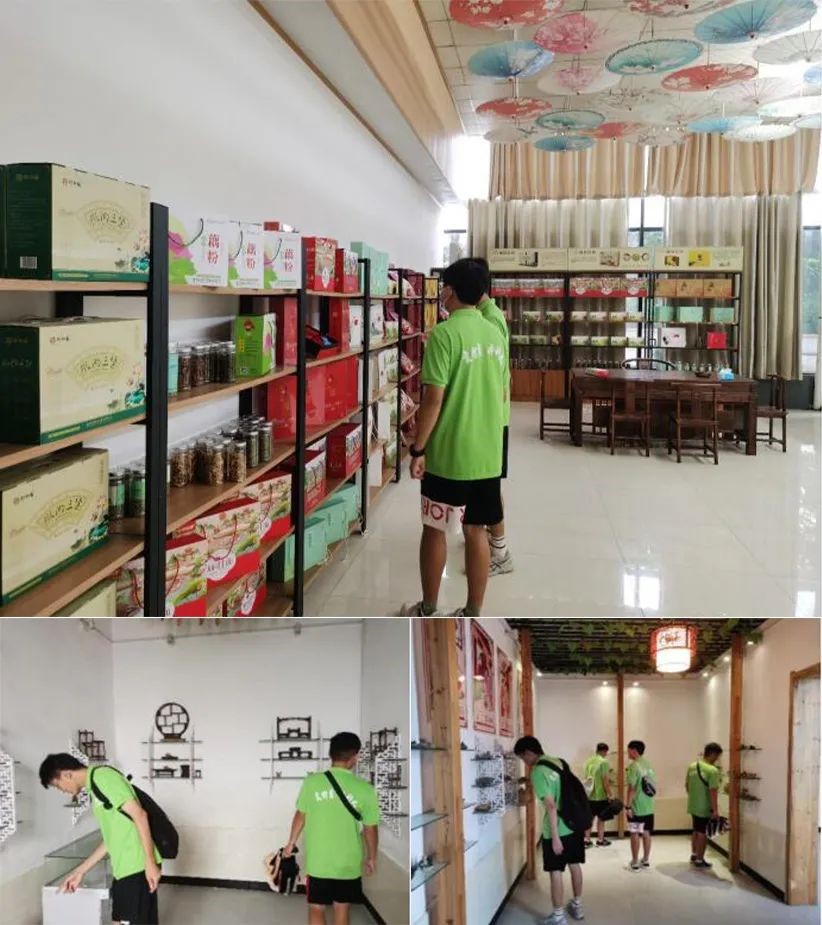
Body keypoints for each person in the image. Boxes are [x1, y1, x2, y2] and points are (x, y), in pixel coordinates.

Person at [399, 257, 507, 618]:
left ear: (449, 291)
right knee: (477, 531)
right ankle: (472, 611)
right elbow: (499, 391)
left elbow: (433, 399)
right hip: (487, 453)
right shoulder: (495, 333)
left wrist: (418, 448)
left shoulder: (444, 335)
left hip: (449, 454)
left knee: (435, 528)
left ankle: (428, 608)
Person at [39, 753, 162, 925]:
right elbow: (111, 838)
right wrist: (80, 871)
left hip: (137, 866)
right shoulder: (94, 788)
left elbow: (140, 816)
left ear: (67, 774)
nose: (61, 790)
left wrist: (150, 863)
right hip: (124, 869)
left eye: (57, 785)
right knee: (120, 920)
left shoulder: (103, 777)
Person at [284, 732, 380, 925]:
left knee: (316, 908)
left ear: (330, 754)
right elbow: (370, 829)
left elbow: (300, 815)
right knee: (341, 906)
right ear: (355, 756)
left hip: (318, 862)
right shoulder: (366, 789)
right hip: (348, 863)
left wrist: (290, 843)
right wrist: (372, 857)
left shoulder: (311, 783)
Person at [514, 736, 585, 925]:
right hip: (573, 824)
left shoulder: (537, 772)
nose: (524, 762)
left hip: (557, 830)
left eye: (522, 757)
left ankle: (559, 917)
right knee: (575, 865)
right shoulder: (558, 761)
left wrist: (555, 837)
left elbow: (551, 806)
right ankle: (577, 906)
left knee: (555, 872)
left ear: (529, 753)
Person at [474, 258, 513, 577]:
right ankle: (490, 538)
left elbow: (495, 373)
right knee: (487, 483)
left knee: (489, 485)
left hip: (493, 418)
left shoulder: (491, 319)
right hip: (490, 415)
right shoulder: (484, 315)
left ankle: (500, 551)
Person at [686, 742, 723, 869]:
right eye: (717, 756)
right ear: (712, 754)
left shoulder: (692, 766)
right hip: (704, 807)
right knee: (703, 833)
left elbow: (687, 786)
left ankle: (694, 854)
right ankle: (699, 860)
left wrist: (695, 797)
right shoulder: (712, 770)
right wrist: (715, 810)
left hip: (693, 804)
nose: (717, 759)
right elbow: (713, 791)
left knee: (696, 829)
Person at [625, 740, 656, 871]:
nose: (627, 753)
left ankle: (635, 862)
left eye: (628, 750)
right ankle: (646, 860)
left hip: (636, 807)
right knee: (646, 832)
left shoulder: (634, 766)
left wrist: (628, 806)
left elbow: (631, 788)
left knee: (635, 833)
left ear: (634, 751)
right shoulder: (648, 764)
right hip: (649, 806)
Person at [583, 742, 613, 848]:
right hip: (600, 795)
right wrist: (610, 794)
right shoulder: (604, 762)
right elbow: (605, 781)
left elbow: (587, 778)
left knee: (589, 818)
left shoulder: (588, 761)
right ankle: (600, 840)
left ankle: (586, 840)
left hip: (589, 795)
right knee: (601, 819)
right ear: (605, 751)